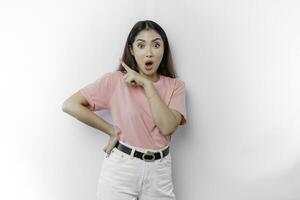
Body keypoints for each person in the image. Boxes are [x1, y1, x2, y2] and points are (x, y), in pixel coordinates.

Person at [62, 20, 187, 200]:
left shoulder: (176, 86)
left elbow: (167, 127)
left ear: (164, 49)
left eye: (156, 45)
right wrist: (111, 130)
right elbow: (70, 104)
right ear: (132, 50)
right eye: (141, 45)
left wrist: (146, 84)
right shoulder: (115, 81)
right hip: (121, 168)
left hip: (159, 171)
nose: (149, 52)